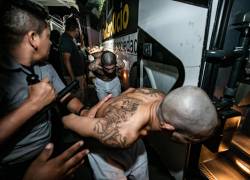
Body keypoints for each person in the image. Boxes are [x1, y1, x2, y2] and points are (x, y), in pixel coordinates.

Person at [0, 1, 108, 179]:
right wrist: (32, 105)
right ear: (33, 38)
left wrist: (83, 110)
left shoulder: (46, 68)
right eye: (48, 36)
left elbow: (65, 97)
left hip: (50, 146)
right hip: (15, 166)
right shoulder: (4, 78)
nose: (51, 43)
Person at [63, 86, 218, 178]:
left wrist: (113, 106)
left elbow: (130, 90)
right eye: (189, 140)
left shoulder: (160, 96)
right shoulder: (122, 133)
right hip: (105, 148)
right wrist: (90, 113)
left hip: (132, 141)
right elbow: (69, 120)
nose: (188, 143)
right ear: (168, 128)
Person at [88, 48, 147, 179]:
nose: (109, 70)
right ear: (102, 65)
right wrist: (95, 72)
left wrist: (118, 65)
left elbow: (122, 65)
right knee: (102, 108)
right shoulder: (95, 64)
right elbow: (90, 68)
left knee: (118, 106)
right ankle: (107, 136)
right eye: (107, 68)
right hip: (101, 83)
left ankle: (120, 131)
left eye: (111, 67)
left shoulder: (117, 63)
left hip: (114, 82)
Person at [59, 17, 87, 102]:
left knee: (82, 96)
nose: (78, 32)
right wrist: (73, 79)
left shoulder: (69, 39)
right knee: (78, 99)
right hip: (75, 77)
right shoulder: (66, 40)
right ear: (75, 29)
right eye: (78, 30)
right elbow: (66, 60)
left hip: (78, 75)